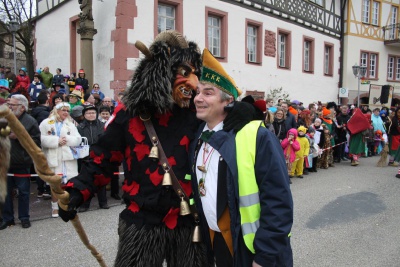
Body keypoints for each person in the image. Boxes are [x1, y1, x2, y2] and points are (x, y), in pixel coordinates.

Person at [58, 30, 207, 266]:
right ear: (161, 70)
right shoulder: (130, 114)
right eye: (185, 73)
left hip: (190, 222)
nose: (194, 83)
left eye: (196, 74)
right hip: (142, 221)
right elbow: (104, 157)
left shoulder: (198, 114)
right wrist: (77, 192)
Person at [191, 48, 293, 267]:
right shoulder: (200, 134)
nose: (198, 98)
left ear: (227, 101)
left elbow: (278, 202)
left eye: (208, 93)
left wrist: (264, 258)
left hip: (251, 249)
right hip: (216, 242)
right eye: (197, 92)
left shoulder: (258, 136)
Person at [0, 95, 40, 230]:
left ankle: (24, 218)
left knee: (23, 192)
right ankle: (8, 219)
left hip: (22, 163)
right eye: (9, 104)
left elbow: (37, 142)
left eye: (13, 105)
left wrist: (19, 137)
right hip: (5, 162)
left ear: (22, 107)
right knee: (5, 192)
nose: (9, 106)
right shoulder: (4, 119)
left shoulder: (30, 121)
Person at [39, 102, 81, 218]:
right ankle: (55, 208)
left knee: (69, 183)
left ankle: (68, 206)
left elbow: (77, 139)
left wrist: (66, 139)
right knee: (55, 184)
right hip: (54, 157)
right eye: (63, 110)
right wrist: (56, 141)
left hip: (67, 159)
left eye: (67, 111)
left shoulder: (70, 124)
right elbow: (41, 139)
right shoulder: (46, 123)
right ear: (57, 111)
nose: (66, 113)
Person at [76, 105, 109, 212]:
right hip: (86, 157)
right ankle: (85, 204)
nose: (91, 115)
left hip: (100, 157)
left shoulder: (102, 126)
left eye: (93, 113)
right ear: (84, 115)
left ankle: (103, 202)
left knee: (101, 181)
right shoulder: (79, 127)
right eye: (88, 113)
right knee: (86, 182)